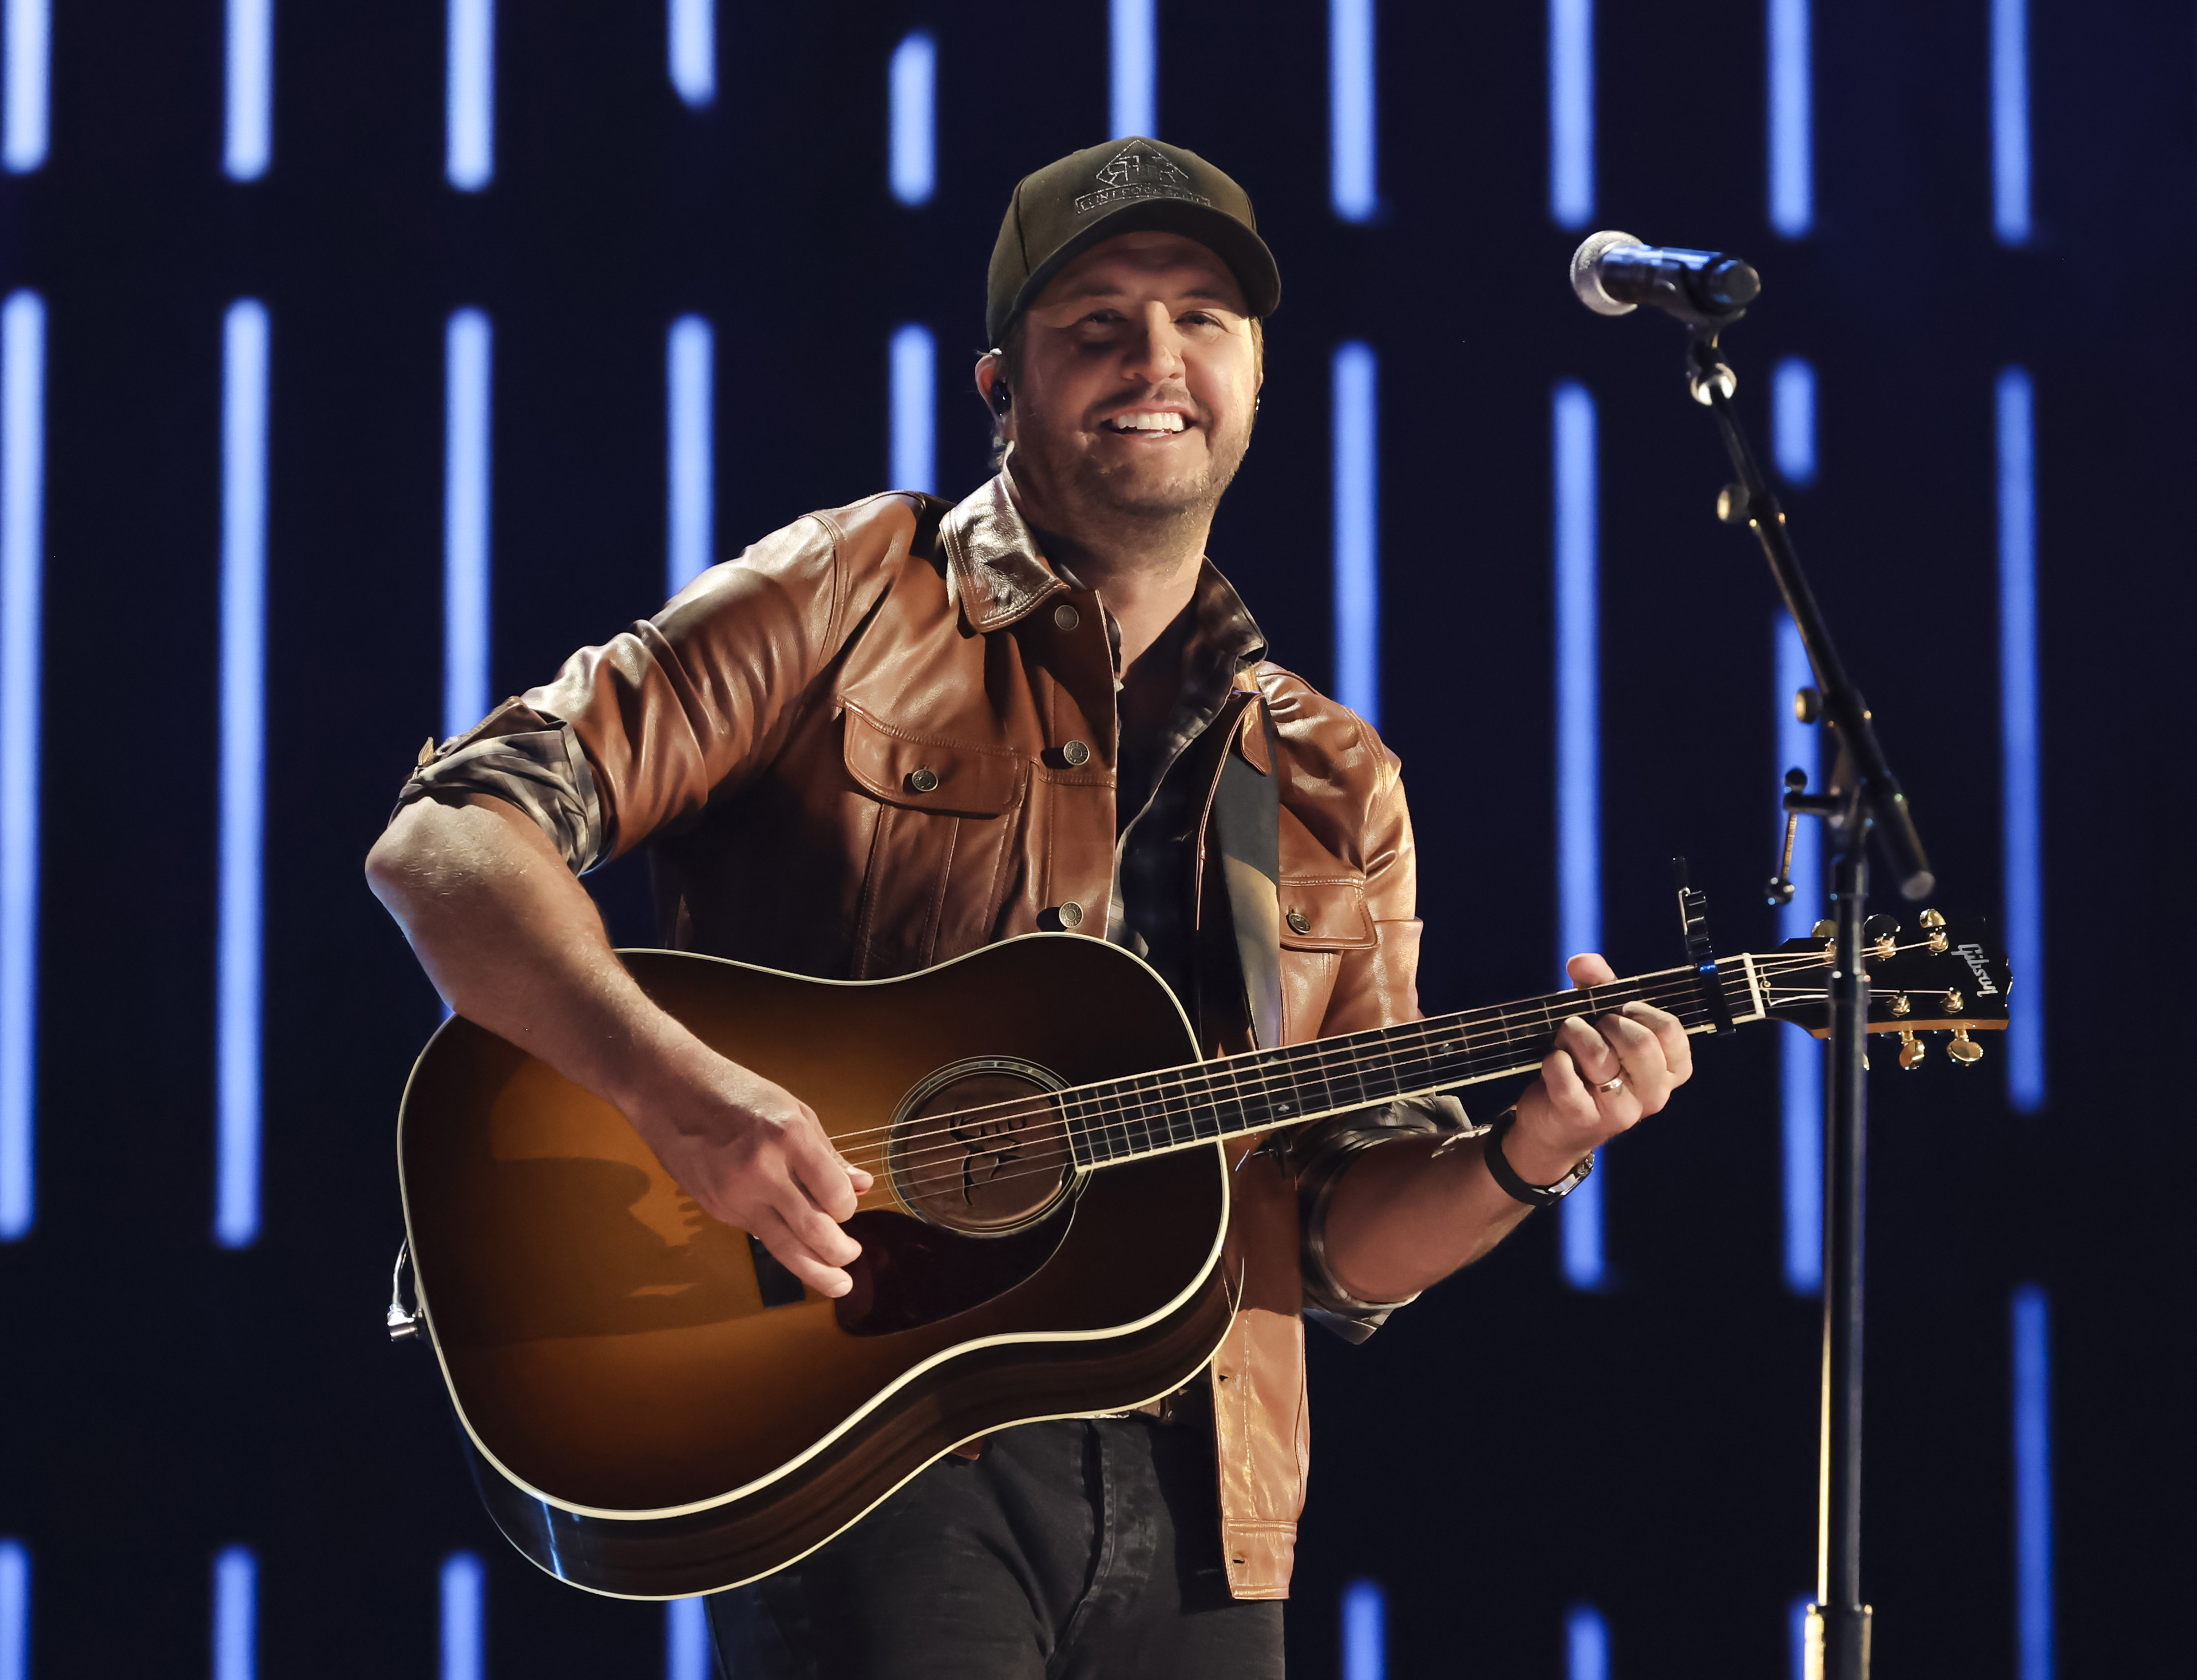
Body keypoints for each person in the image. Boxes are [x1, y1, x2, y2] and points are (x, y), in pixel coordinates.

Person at [366, 137, 1694, 1679]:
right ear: (1001, 388)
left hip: (1210, 1516)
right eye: (1099, 324)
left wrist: (1535, 1156)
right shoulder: (853, 590)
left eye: (1204, 319)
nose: (1157, 361)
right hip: (879, 1455)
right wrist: (679, 1091)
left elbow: (1328, 1244)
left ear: (1259, 374)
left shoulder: (1333, 779)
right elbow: (449, 840)